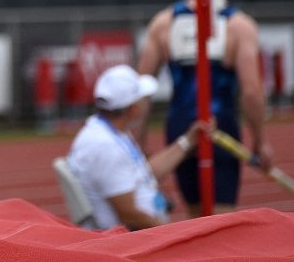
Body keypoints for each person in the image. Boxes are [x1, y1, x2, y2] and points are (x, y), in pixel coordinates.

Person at [136, 0, 271, 217]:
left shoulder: (163, 24)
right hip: (220, 129)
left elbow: (139, 92)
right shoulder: (239, 27)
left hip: (180, 127)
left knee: (195, 219)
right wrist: (261, 140)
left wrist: (138, 143)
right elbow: (251, 92)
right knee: (219, 221)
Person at [66, 65, 204, 230]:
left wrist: (187, 141)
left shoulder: (109, 132)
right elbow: (129, 215)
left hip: (135, 236)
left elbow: (143, 173)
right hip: (130, 243)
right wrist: (170, 234)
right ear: (133, 109)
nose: (147, 103)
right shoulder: (106, 146)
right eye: (143, 99)